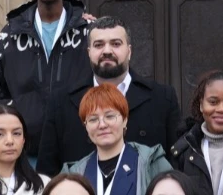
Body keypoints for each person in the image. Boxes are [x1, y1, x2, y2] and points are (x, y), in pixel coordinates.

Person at [0, 0, 92, 161]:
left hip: (80, 146)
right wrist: (14, 113)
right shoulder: (11, 32)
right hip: (26, 149)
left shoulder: (87, 30)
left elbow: (107, 81)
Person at [38, 17, 182, 169]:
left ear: (129, 51)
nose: (107, 51)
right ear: (89, 52)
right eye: (99, 45)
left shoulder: (162, 98)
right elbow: (47, 171)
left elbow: (176, 164)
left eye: (116, 44)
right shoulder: (61, 102)